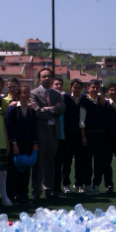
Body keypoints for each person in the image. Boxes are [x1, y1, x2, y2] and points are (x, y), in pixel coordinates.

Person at [30, 68, 65, 199]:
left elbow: (62, 108)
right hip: (40, 133)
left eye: (48, 76)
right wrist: (52, 111)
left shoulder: (56, 93)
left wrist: (48, 109)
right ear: (39, 79)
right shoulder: (33, 93)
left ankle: (49, 189)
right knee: (38, 164)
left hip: (53, 133)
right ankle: (36, 191)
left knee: (50, 163)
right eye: (43, 76)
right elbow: (37, 112)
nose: (46, 78)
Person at [6, 84, 39, 203]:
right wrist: (13, 143)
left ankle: (23, 195)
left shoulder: (31, 110)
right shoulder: (12, 109)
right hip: (16, 144)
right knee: (13, 171)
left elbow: (34, 128)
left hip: (28, 144)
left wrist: (35, 143)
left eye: (27, 92)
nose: (26, 95)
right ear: (19, 95)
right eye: (23, 92)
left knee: (26, 170)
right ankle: (11, 195)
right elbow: (10, 128)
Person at [80, 79, 106, 194]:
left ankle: (96, 184)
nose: (94, 89)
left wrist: (102, 96)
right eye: (92, 87)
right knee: (87, 161)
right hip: (88, 134)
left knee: (99, 161)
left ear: (99, 89)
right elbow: (81, 120)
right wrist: (83, 136)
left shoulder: (103, 101)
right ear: (88, 88)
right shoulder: (84, 101)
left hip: (100, 134)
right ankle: (87, 184)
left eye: (97, 87)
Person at [61, 79, 86, 193]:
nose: (76, 89)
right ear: (71, 87)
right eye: (74, 87)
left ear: (82, 89)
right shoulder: (65, 98)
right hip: (68, 134)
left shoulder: (84, 99)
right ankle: (66, 184)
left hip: (80, 134)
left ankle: (79, 183)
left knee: (80, 160)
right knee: (67, 161)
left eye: (79, 87)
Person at [51, 77, 66, 194]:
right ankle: (48, 187)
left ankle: (57, 186)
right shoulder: (48, 99)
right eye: (56, 84)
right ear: (52, 86)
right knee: (50, 164)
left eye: (60, 84)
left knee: (59, 163)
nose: (58, 86)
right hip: (51, 137)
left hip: (63, 137)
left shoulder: (66, 99)